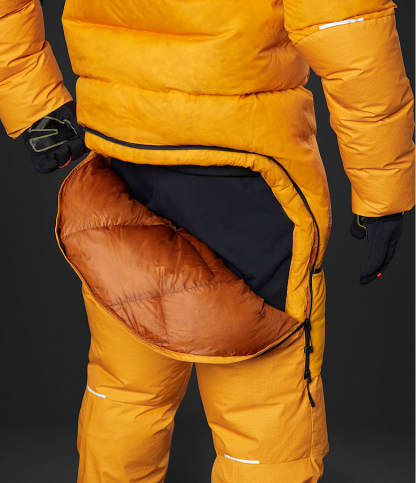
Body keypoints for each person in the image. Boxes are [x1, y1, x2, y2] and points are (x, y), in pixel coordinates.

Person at [1, 1, 414, 481]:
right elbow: (346, 25)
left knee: (126, 394)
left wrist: (35, 107)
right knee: (262, 420)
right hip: (249, 172)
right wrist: (382, 189)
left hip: (122, 156)